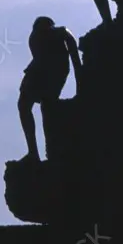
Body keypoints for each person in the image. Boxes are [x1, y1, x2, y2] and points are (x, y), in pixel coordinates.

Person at [18, 17, 81, 160]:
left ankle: (39, 152)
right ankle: (34, 152)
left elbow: (75, 59)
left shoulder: (61, 33)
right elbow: (75, 61)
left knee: (44, 105)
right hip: (40, 70)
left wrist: (80, 85)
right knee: (27, 105)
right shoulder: (37, 38)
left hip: (51, 72)